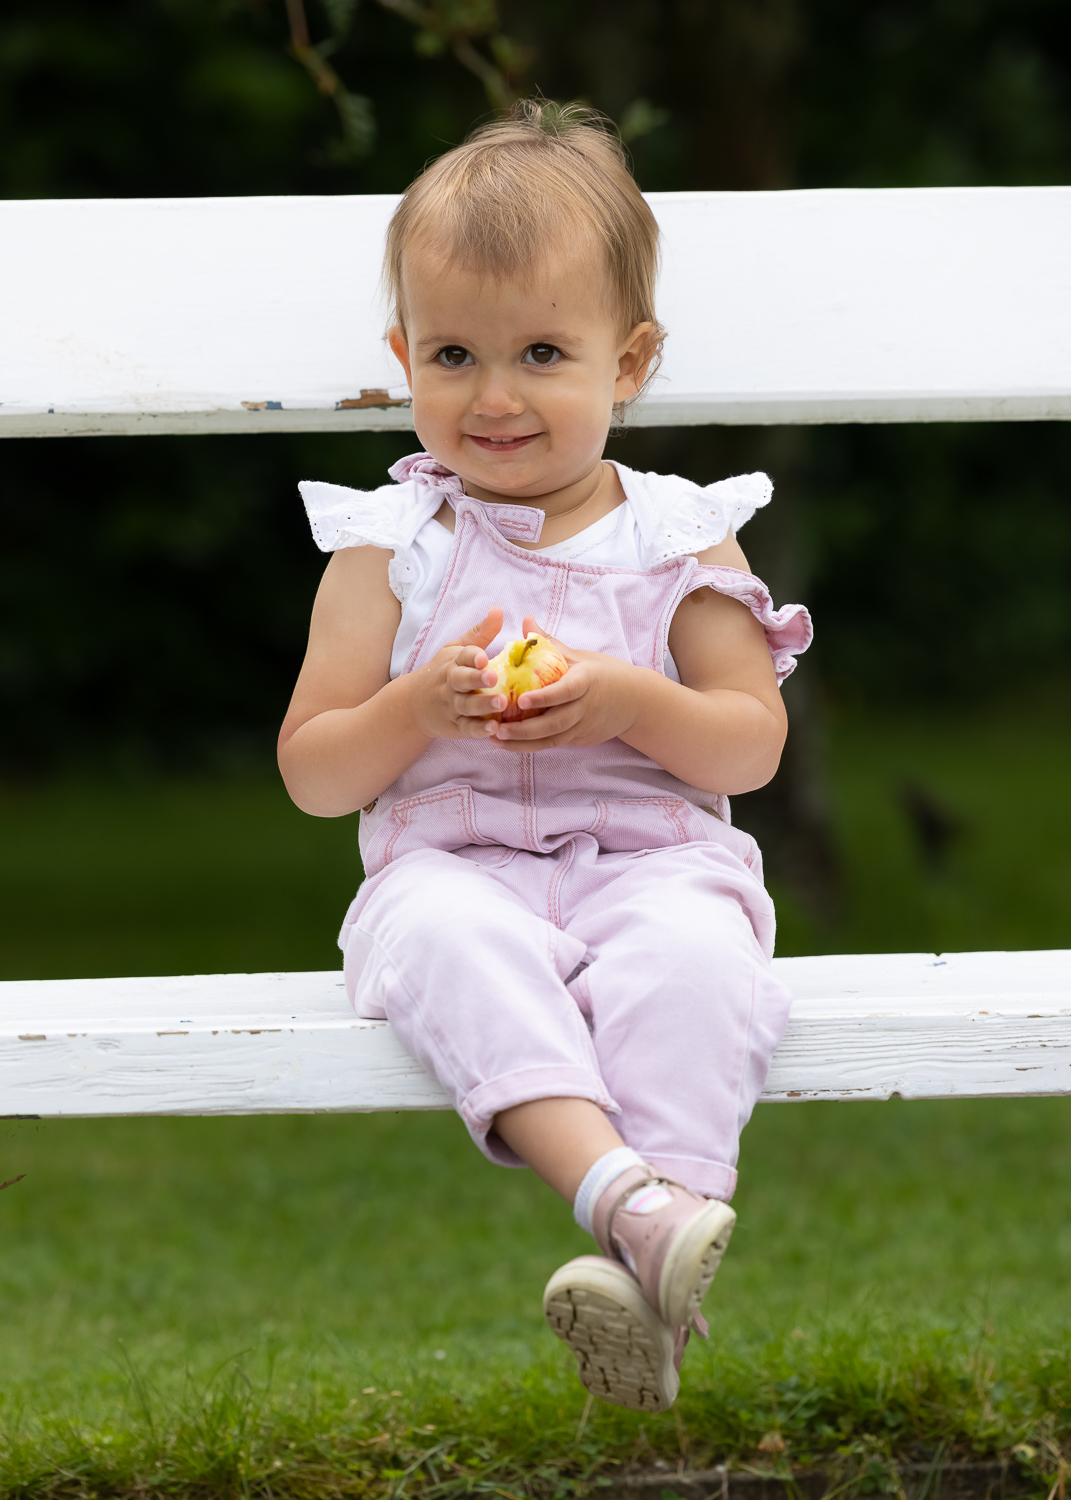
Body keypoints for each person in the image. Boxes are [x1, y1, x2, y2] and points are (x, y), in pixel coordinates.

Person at [278, 100, 812, 1414]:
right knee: (440, 941)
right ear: (404, 355)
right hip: (456, 869)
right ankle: (632, 1205)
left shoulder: (675, 536)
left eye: (541, 354)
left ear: (628, 364)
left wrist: (628, 699)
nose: (495, 396)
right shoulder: (390, 550)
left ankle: (647, 1264)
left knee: (696, 959)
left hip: (651, 862)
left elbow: (750, 743)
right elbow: (315, 772)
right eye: (454, 354)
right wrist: (416, 710)